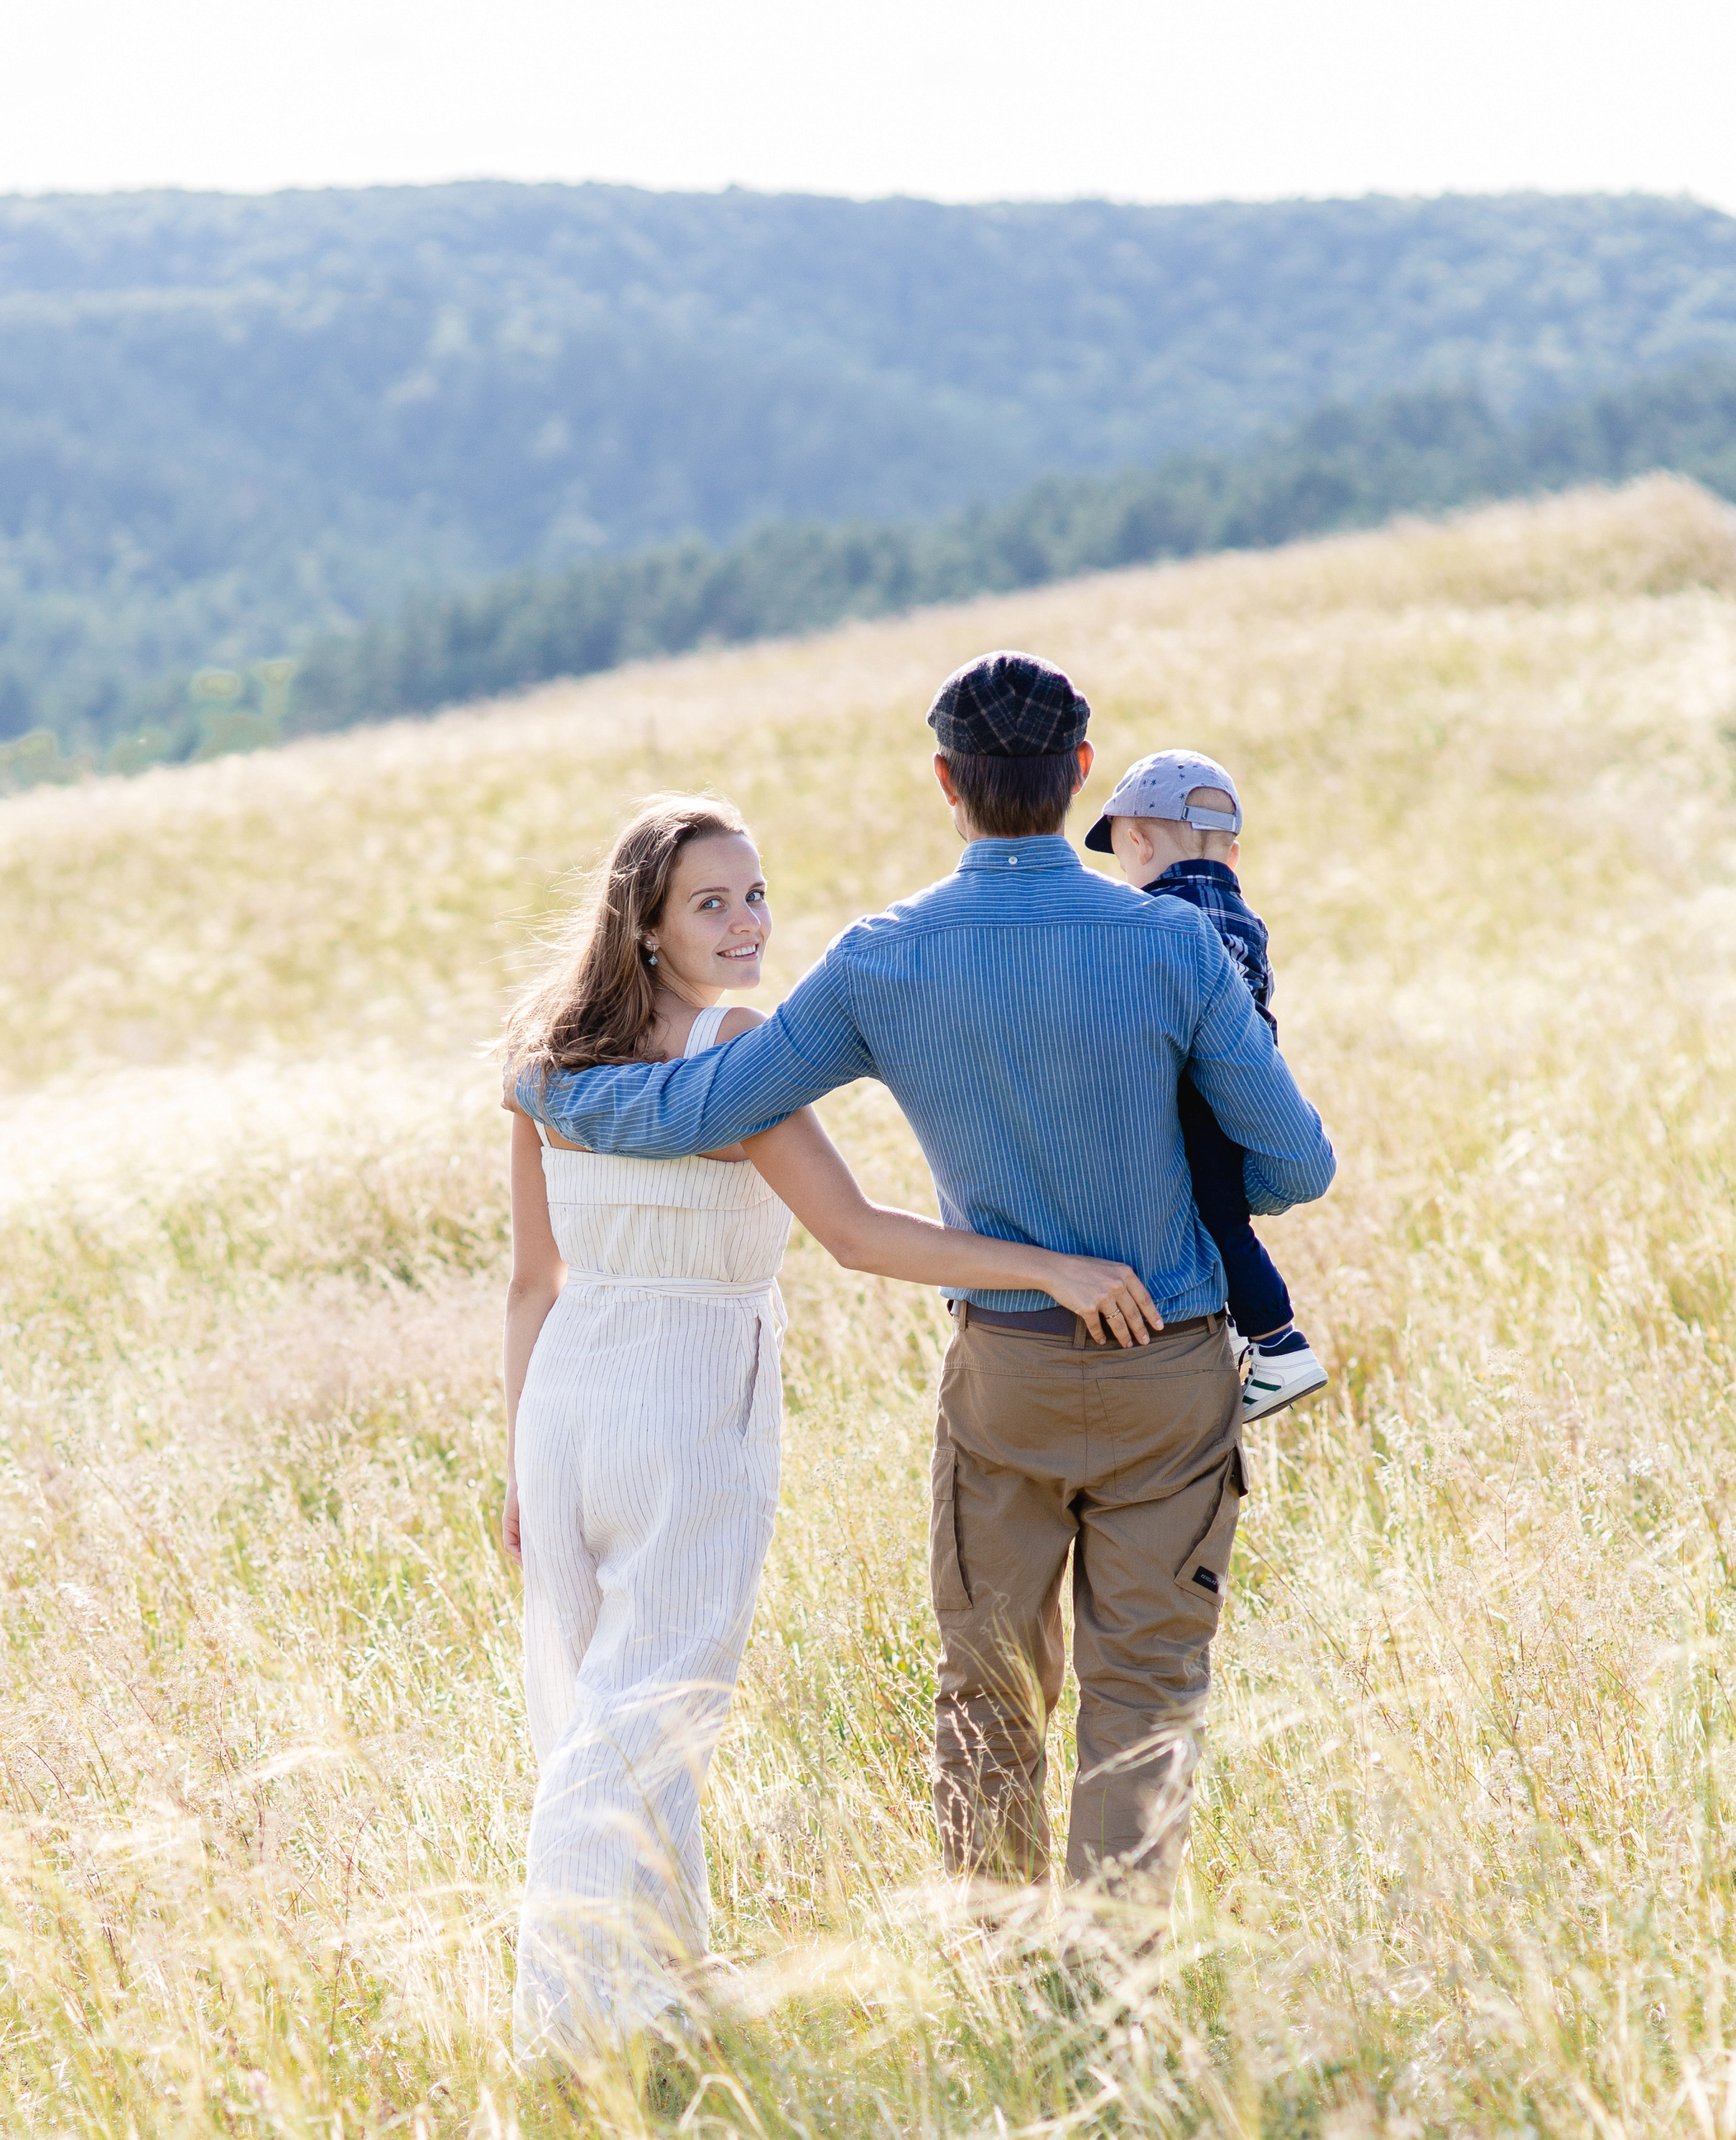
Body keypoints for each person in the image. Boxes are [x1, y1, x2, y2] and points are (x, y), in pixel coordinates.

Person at [511, 656, 1337, 1925]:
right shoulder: (1173, 942)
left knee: (991, 1685)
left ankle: (996, 1964)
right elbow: (1296, 1164)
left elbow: (714, 1104)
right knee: (1148, 1689)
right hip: (1172, 1369)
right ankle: (1114, 1989)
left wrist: (553, 1091)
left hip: (1004, 1371)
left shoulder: (882, 958)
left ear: (946, 783)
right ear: (1076, 778)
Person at [502, 790, 1162, 2060]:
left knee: (596, 1702)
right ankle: (571, 2021)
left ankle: (656, 1988)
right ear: (645, 924)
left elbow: (533, 1284)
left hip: (567, 1397)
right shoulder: (733, 1043)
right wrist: (1052, 1268)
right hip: (692, 1388)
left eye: (754, 894)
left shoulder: (547, 1061)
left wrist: (519, 1468)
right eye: (713, 902)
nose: (748, 922)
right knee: (648, 1711)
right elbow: (857, 1235)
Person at [1086, 748, 1329, 1421]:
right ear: (1235, 854)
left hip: (1190, 1091)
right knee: (1223, 1218)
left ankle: (1279, 1345)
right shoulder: (1246, 920)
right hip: (1241, 1091)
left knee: (1220, 1223)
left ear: (1136, 842)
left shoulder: (1156, 921)